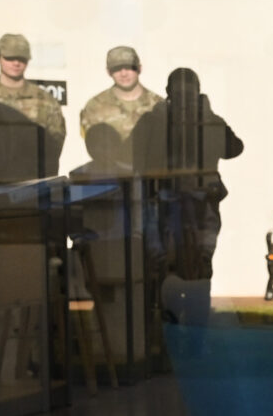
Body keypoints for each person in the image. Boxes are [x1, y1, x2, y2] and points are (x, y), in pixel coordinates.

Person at [129, 66, 241, 325]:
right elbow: (135, 156)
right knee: (159, 270)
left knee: (200, 271)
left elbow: (234, 148)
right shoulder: (152, 121)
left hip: (202, 210)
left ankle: (196, 336)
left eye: (189, 96)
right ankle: (159, 333)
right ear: (167, 94)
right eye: (179, 96)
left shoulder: (208, 122)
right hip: (162, 208)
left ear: (198, 95)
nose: (184, 102)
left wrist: (208, 119)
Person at [0, 31, 67, 170]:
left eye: (21, 58)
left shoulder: (45, 101)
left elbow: (55, 142)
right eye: (10, 58)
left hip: (31, 177)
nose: (16, 63)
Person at [77, 45, 160, 172]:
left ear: (139, 69)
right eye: (117, 69)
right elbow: (93, 146)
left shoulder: (158, 105)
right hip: (110, 177)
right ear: (108, 72)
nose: (123, 73)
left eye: (129, 67)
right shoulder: (95, 106)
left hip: (151, 177)